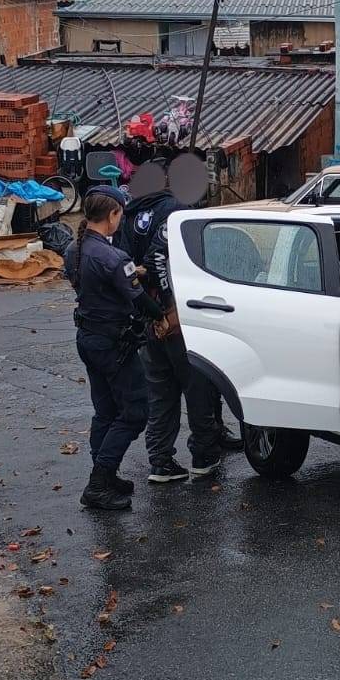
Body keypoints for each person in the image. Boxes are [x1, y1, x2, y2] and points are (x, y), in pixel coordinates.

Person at [64, 189, 165, 511]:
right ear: (112, 215)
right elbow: (139, 300)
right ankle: (98, 483)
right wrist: (163, 317)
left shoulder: (73, 249)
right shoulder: (114, 258)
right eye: (120, 214)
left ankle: (104, 475)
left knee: (106, 411)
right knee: (135, 412)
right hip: (113, 344)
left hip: (89, 338)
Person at [124, 176, 223, 484]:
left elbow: (127, 265)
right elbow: (157, 256)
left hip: (146, 312)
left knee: (161, 392)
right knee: (197, 387)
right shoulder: (175, 211)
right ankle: (203, 456)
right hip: (176, 316)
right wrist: (168, 303)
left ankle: (160, 461)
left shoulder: (128, 214)